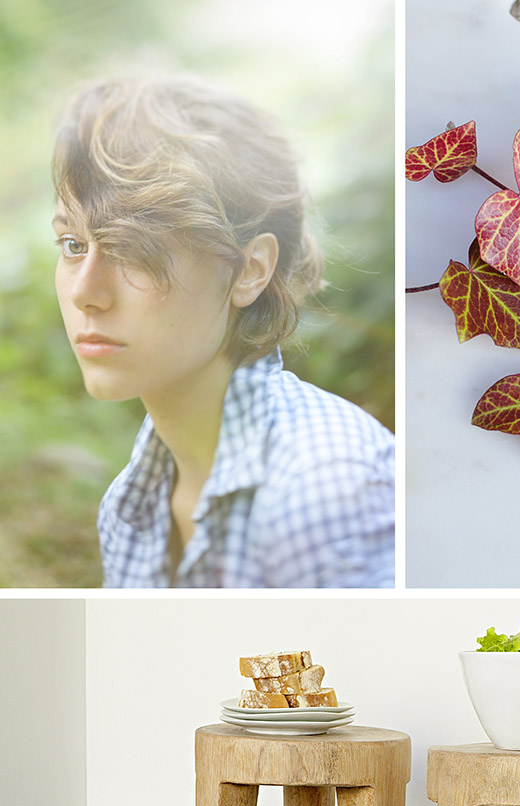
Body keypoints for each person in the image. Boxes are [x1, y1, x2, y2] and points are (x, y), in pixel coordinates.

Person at [51, 76, 394, 587]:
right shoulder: (129, 508)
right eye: (74, 245)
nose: (85, 292)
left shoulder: (328, 489)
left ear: (250, 270)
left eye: (135, 249)